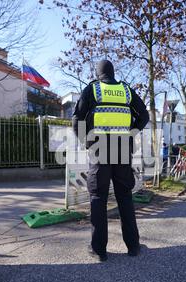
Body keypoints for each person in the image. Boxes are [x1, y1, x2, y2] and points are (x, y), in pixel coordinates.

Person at [72, 60, 149, 262]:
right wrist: (131, 133)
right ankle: (133, 247)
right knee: (125, 197)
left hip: (99, 151)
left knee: (98, 198)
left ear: (98, 73)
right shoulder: (126, 90)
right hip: (123, 151)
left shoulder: (92, 89)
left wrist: (86, 142)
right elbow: (144, 115)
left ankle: (99, 251)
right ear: (113, 73)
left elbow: (77, 119)